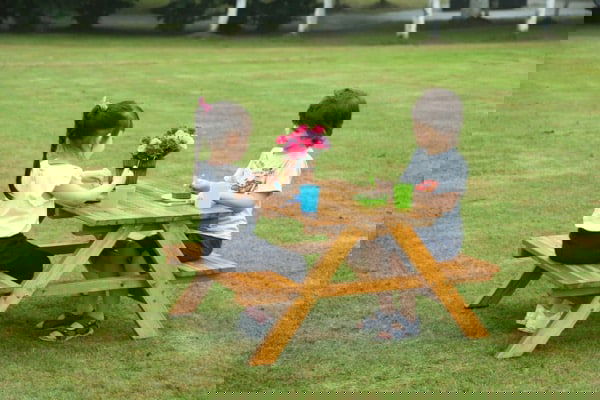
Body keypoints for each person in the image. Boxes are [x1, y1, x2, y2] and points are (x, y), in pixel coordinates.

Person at [346, 88, 470, 339]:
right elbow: (405, 190)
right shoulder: (419, 155)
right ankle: (387, 312)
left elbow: (444, 204)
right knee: (363, 248)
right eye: (416, 125)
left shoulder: (453, 164)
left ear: (447, 131)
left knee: (396, 255)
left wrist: (413, 198)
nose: (417, 131)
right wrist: (389, 190)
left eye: (424, 127)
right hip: (410, 229)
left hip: (438, 239)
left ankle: (408, 318)